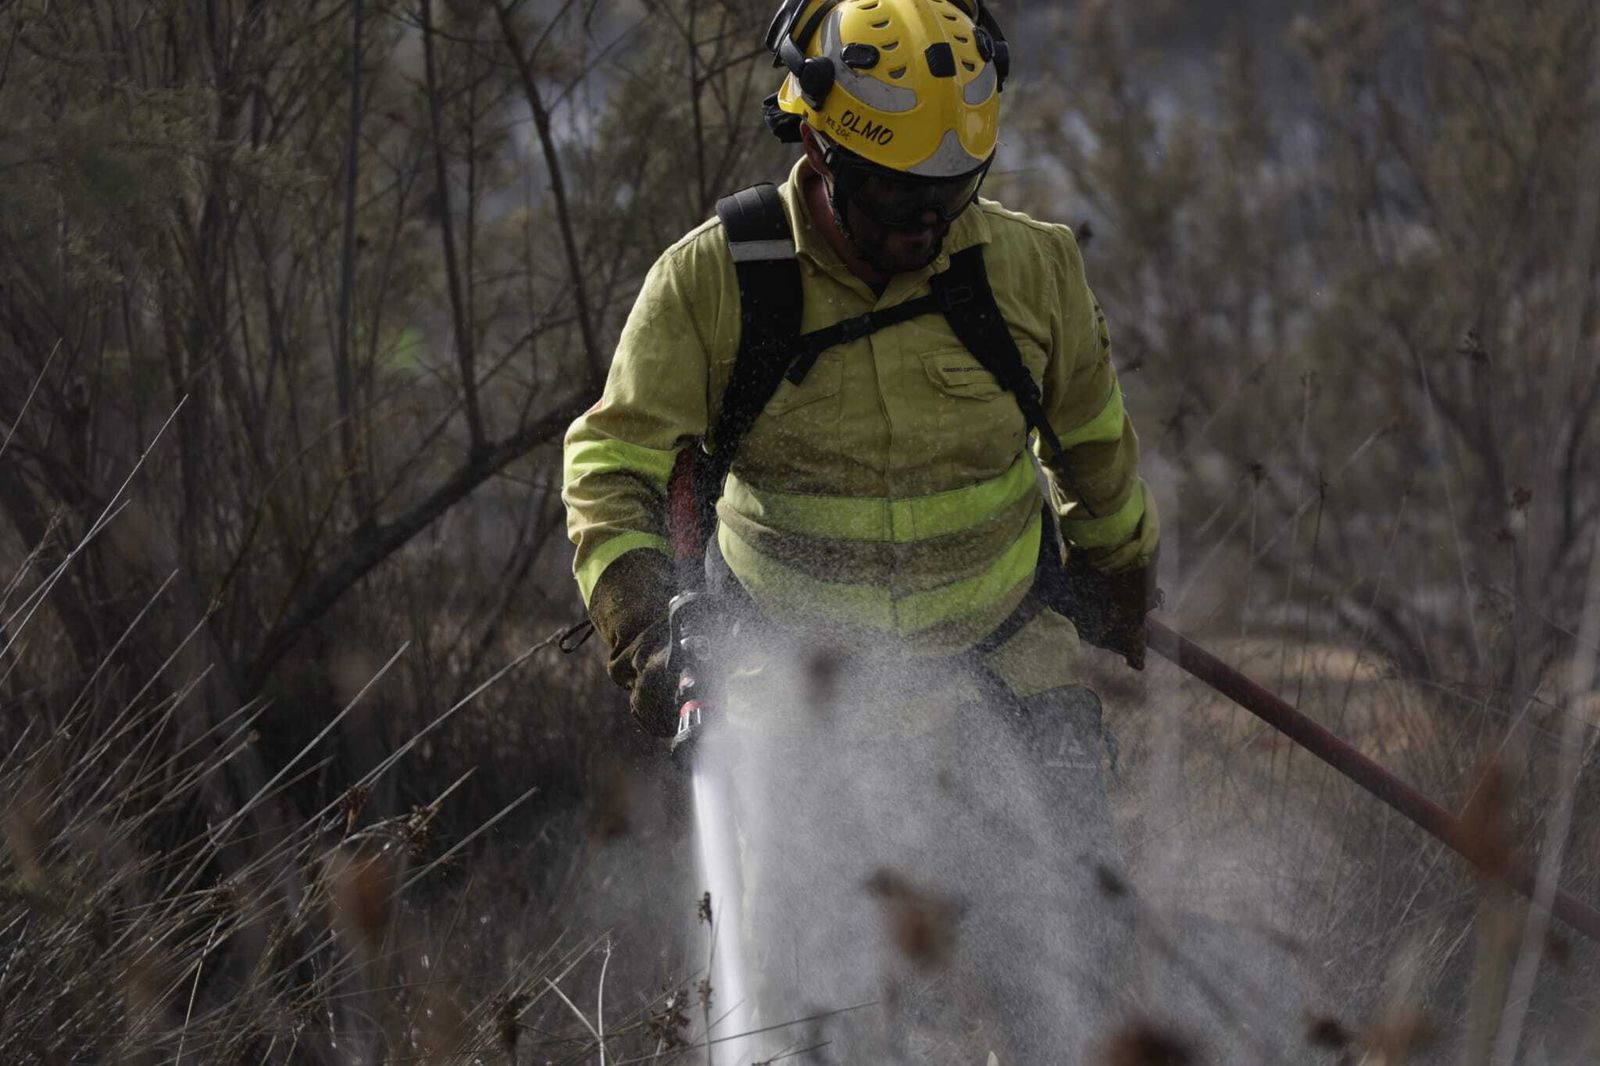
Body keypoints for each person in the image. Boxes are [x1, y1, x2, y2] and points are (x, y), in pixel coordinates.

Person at [562, 0, 1160, 1059]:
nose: (921, 225)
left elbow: (1094, 453)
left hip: (1002, 663)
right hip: (790, 684)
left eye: (946, 194)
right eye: (893, 194)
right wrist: (647, 629)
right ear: (817, 141)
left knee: (1075, 978)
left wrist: (1118, 575)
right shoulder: (715, 284)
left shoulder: (1032, 274)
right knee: (801, 1006)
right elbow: (610, 469)